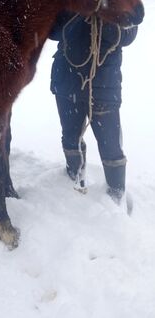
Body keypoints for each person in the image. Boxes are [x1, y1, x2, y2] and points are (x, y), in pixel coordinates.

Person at [50, 12, 138, 201]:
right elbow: (51, 31)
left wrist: (104, 20)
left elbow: (128, 35)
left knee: (110, 145)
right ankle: (73, 178)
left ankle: (116, 196)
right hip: (67, 81)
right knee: (70, 137)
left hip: (104, 85)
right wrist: (79, 14)